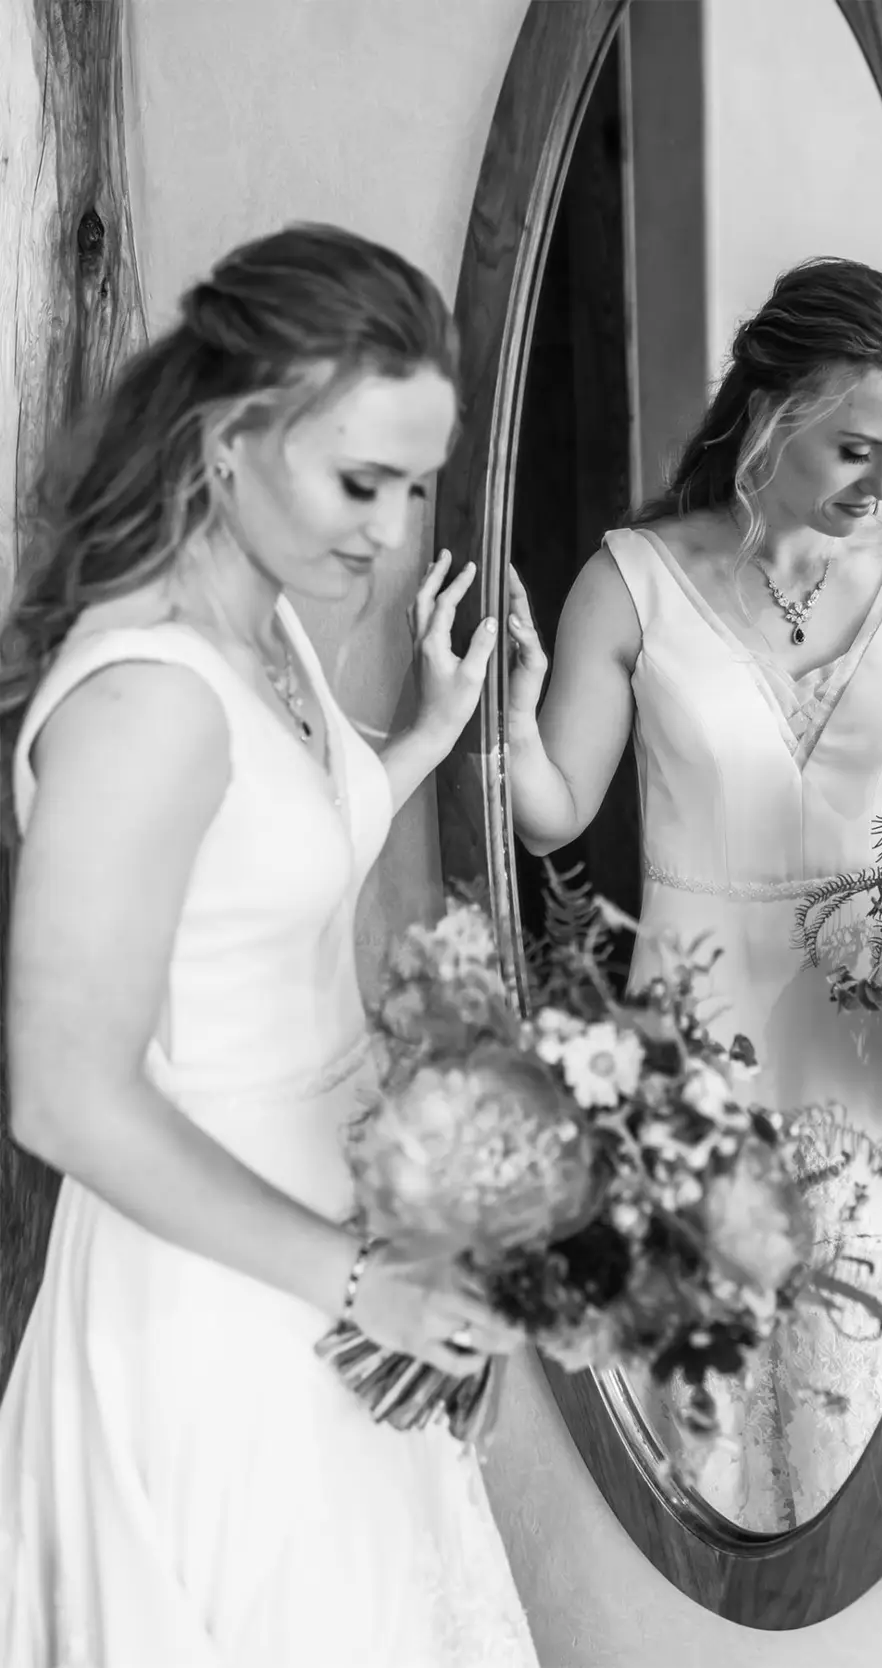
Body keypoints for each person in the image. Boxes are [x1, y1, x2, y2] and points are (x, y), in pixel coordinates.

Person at [0, 226, 538, 1663]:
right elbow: (61, 1094)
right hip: (221, 1302)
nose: (391, 527)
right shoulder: (148, 702)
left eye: (415, 487)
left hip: (334, 1266)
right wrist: (370, 1285)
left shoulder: (268, 631)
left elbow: (261, 872)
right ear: (232, 437)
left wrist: (418, 738)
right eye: (360, 481)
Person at [502, 256, 882, 1529]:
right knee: (705, 1398)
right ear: (767, 412)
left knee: (874, 1391)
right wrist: (499, 725)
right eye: (853, 450)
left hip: (881, 1039)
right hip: (703, 1030)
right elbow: (556, 806)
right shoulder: (631, 579)